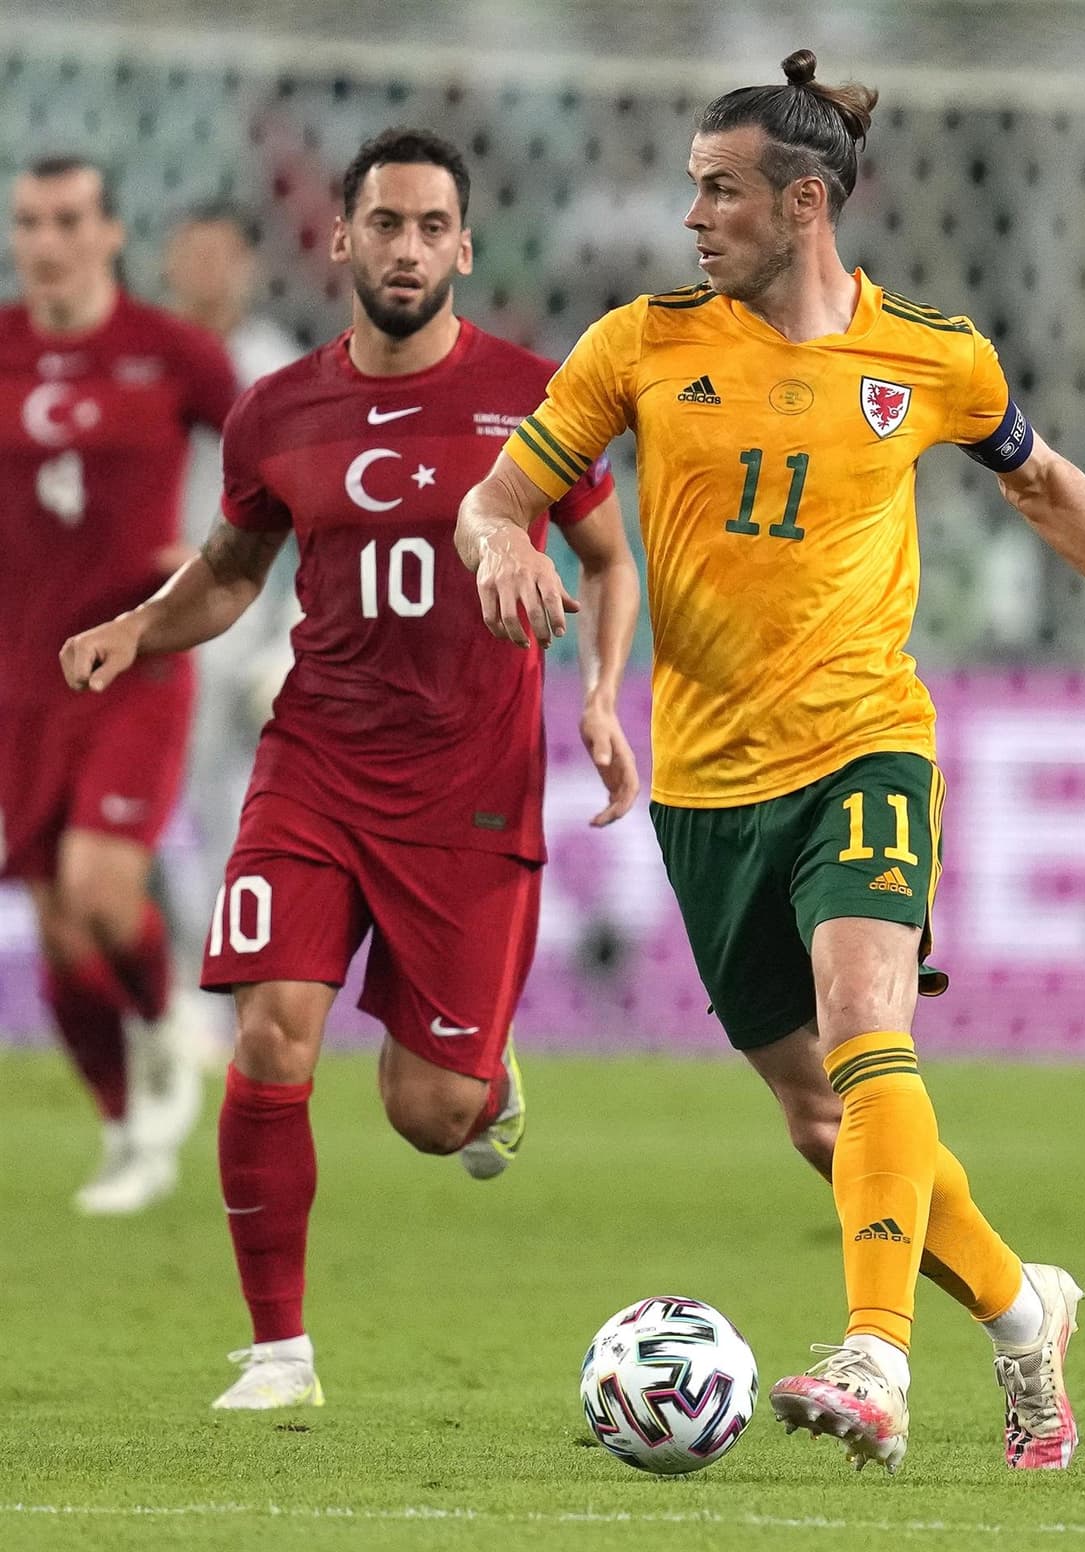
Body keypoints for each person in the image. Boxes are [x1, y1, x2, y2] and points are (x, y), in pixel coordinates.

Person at [456, 50, 1085, 1475]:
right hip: (707, 782)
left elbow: (1042, 478)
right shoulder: (639, 344)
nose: (692, 216)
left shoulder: (931, 355)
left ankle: (874, 1358)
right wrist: (507, 544)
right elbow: (497, 498)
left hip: (867, 740)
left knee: (863, 1006)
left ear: (805, 202)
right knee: (824, 1118)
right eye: (692, 188)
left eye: (721, 191)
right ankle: (1026, 1313)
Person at [59, 128, 640, 1410]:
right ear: (339, 238)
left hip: (469, 785)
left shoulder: (533, 399)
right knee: (270, 1033)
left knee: (429, 1112)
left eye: (432, 227)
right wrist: (134, 626)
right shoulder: (276, 411)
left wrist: (600, 693)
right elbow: (226, 575)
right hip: (314, 758)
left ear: (465, 248)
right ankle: (279, 1353)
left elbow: (607, 558)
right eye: (385, 223)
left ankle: (482, 1078)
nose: (407, 248)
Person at [0, 155, 239, 1214]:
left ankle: (168, 1026)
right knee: (59, 931)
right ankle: (124, 1124)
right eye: (28, 222)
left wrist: (209, 554)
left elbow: (268, 462)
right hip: (19, 681)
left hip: (134, 662)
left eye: (65, 219)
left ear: (108, 233)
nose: (45, 240)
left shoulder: (168, 352)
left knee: (104, 890)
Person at [164, 204, 301, 995]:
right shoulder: (145, 355)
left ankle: (212, 987)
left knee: (228, 812)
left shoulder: (271, 366)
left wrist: (288, 635)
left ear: (248, 267)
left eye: (221, 255)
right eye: (192, 254)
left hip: (232, 625)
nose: (205, 271)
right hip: (131, 610)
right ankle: (152, 987)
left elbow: (312, 515)